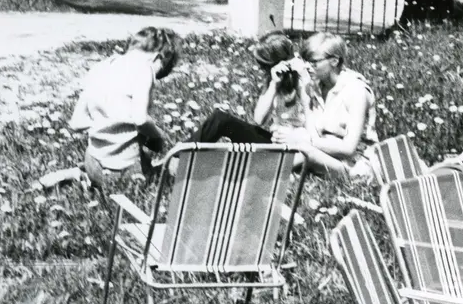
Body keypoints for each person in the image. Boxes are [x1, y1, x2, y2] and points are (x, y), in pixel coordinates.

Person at [64, 26, 180, 192]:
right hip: (125, 173)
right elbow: (140, 119)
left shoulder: (101, 67)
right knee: (175, 168)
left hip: (93, 163)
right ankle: (93, 177)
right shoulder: (144, 69)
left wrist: (108, 125)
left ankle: (82, 175)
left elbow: (77, 122)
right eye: (161, 70)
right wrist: (161, 138)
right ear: (158, 57)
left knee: (141, 153)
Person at [273, 32, 379, 178]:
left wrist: (300, 142)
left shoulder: (356, 91)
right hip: (326, 153)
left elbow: (349, 149)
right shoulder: (316, 85)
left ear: (334, 61)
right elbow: (313, 134)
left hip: (356, 164)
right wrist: (305, 100)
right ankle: (272, 170)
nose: (307, 67)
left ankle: (265, 174)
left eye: (313, 62)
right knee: (288, 133)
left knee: (304, 148)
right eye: (305, 61)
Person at [191, 31, 312, 145]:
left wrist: (303, 84)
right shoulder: (276, 78)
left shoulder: (309, 75)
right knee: (220, 119)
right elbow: (259, 120)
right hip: (276, 143)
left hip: (300, 147)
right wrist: (274, 85)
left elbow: (318, 127)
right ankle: (179, 156)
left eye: (264, 65)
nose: (261, 69)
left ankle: (178, 159)